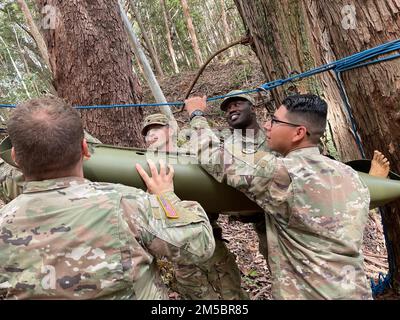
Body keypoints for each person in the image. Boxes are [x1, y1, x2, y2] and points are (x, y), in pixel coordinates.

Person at [0, 96, 215, 300]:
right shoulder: (125, 205)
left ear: (15, 158)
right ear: (85, 149)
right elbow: (200, 244)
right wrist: (166, 197)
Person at [185, 93, 373, 299]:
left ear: (298, 133)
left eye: (275, 121)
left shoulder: (283, 175)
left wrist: (196, 114)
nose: (267, 126)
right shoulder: (350, 175)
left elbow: (211, 153)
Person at [142, 112, 248, 300]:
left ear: (170, 131)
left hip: (211, 246)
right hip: (181, 257)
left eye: (156, 128)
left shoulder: (192, 158)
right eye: (147, 132)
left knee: (231, 294)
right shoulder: (146, 168)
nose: (151, 135)